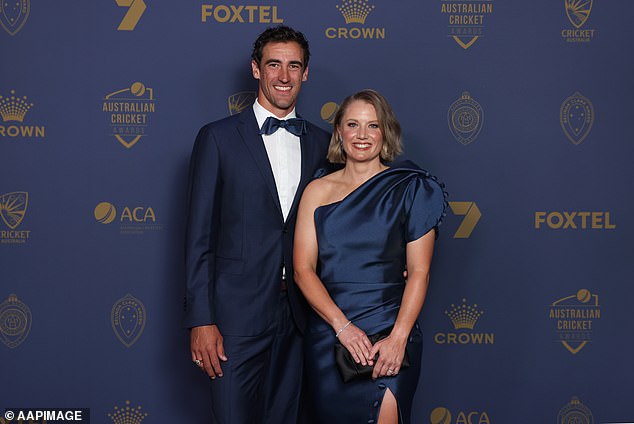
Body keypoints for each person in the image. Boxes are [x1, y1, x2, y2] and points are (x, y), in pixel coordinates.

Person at [183, 26, 331, 424]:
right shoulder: (217, 138)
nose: (284, 76)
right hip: (234, 318)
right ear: (255, 69)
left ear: (306, 73)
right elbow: (199, 237)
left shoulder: (324, 143)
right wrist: (201, 319)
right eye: (274, 64)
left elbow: (346, 225)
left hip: (302, 317)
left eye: (294, 66)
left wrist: (394, 261)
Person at [293, 89, 446, 424]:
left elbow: (419, 273)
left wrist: (399, 338)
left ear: (385, 132)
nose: (362, 135)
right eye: (352, 124)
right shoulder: (316, 192)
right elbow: (303, 270)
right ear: (339, 132)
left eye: (372, 126)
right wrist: (342, 327)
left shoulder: (411, 187)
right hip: (331, 335)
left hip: (389, 331)